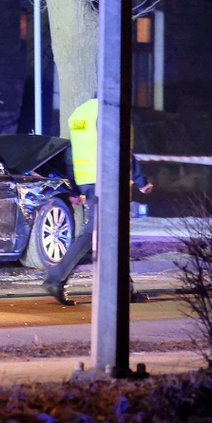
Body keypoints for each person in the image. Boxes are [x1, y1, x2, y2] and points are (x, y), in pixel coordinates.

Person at [42, 97, 153, 304]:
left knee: (112, 237)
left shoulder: (81, 112)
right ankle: (55, 278)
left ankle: (123, 290)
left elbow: (71, 153)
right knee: (93, 234)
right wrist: (140, 180)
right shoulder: (111, 111)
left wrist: (73, 187)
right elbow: (121, 149)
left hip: (88, 181)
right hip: (109, 181)